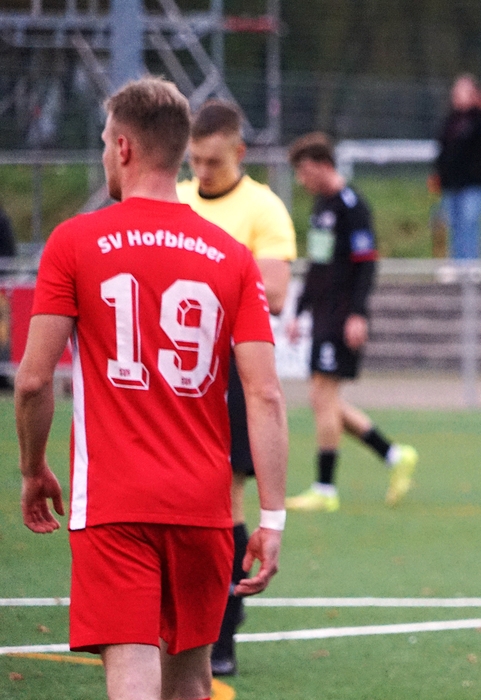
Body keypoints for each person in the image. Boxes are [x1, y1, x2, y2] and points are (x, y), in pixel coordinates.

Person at [15, 76, 288, 700]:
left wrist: (33, 469)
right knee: (190, 681)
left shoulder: (75, 241)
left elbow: (32, 380)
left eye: (104, 142)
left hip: (114, 502)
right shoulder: (231, 255)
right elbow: (266, 394)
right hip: (204, 505)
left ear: (124, 148)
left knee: (132, 671)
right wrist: (271, 517)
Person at [177, 99, 297, 677]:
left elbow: (274, 292)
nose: (202, 172)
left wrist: (196, 275)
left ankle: (222, 631)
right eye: (194, 161)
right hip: (171, 372)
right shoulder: (173, 198)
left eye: (213, 161)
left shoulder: (263, 208)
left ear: (239, 152)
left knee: (223, 500)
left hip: (227, 370)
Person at [285, 132, 417, 512]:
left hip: (342, 316)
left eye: (304, 171)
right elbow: (318, 264)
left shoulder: (352, 205)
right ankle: (394, 455)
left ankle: (325, 489)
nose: (301, 180)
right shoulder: (321, 207)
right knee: (325, 399)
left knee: (322, 396)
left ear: (322, 165)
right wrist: (299, 311)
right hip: (323, 315)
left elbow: (366, 264)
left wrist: (358, 313)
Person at [431, 74, 481, 260]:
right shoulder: (450, 121)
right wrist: (439, 174)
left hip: (474, 184)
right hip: (451, 184)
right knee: (453, 224)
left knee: (470, 224)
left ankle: (471, 264)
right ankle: (457, 263)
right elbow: (443, 150)